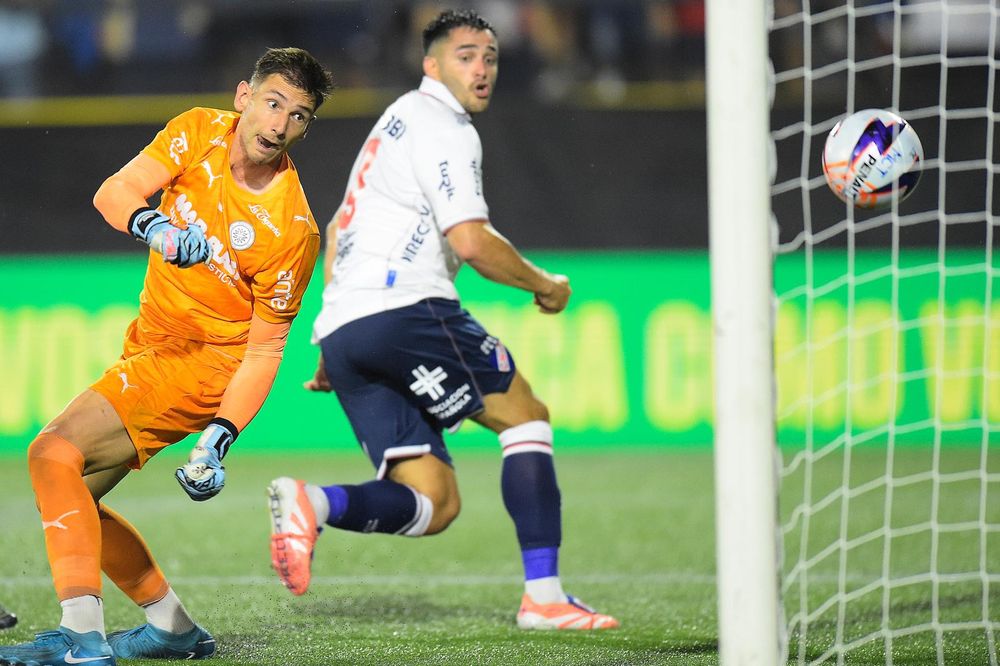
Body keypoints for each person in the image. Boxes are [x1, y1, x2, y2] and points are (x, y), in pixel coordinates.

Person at [267, 9, 619, 631]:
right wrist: (546, 286)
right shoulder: (442, 125)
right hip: (407, 309)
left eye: (490, 58)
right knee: (526, 419)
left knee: (436, 501)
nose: (481, 69)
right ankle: (544, 596)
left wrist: (333, 333)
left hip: (348, 329)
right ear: (431, 64)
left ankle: (312, 503)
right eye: (465, 56)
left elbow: (340, 230)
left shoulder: (395, 124)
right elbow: (472, 241)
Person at [0, 48, 334, 666]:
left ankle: (82, 638)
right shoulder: (197, 132)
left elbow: (263, 349)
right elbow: (115, 192)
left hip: (205, 365)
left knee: (52, 453)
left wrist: (218, 437)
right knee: (74, 498)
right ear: (244, 96)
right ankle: (172, 627)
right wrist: (152, 227)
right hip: (152, 344)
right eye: (273, 102)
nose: (280, 124)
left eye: (300, 115)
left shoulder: (293, 228)